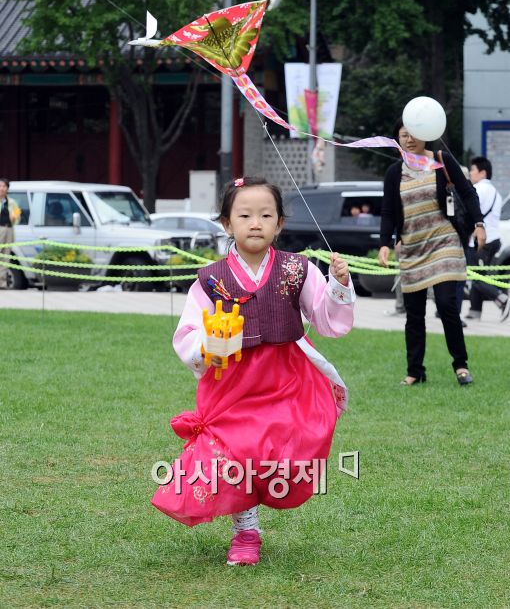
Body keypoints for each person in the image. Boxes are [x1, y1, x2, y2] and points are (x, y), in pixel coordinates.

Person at [152, 176, 355, 566]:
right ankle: (246, 530)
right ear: (227, 223)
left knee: (283, 451)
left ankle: (264, 499)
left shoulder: (298, 269)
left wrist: (339, 286)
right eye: (244, 215)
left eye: (266, 215)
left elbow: (329, 321)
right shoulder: (210, 279)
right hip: (232, 382)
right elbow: (187, 333)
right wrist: (209, 343)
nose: (256, 223)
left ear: (280, 223)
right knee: (237, 452)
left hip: (287, 377)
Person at [378, 122, 486, 386]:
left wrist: (479, 224)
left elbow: (467, 192)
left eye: (413, 134)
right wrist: (385, 242)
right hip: (413, 247)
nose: (409, 139)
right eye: (403, 135)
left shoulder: (441, 161)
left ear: (424, 136)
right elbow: (388, 211)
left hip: (444, 242)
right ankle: (415, 371)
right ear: (398, 139)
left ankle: (460, 365)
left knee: (447, 304)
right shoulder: (395, 172)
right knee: (414, 314)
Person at [465, 156, 510, 322]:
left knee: (475, 276)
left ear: (482, 173)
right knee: (480, 274)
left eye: (473, 170)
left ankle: (502, 299)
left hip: (481, 242)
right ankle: (474, 311)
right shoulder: (496, 192)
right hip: (493, 240)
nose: (470, 173)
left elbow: (470, 214)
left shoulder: (477, 190)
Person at [0, 178, 21, 289]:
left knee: (5, 257)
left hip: (9, 230)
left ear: (7, 188)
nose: (2, 188)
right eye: (0, 186)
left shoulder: (12, 202)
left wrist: (15, 217)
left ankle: (2, 283)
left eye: (4, 186)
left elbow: (18, 215)